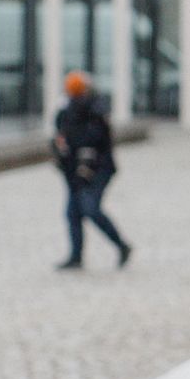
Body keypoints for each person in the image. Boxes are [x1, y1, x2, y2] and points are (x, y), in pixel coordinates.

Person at [51, 71, 132, 272]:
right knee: (73, 212)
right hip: (73, 170)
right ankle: (76, 256)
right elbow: (61, 138)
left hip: (97, 169)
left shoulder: (94, 109)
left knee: (90, 208)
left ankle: (121, 245)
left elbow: (95, 140)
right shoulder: (66, 111)